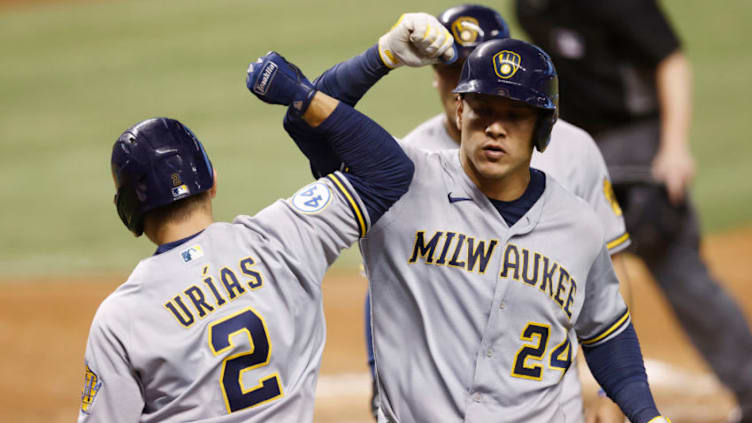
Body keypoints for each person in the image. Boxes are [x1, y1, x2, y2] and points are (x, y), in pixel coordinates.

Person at [284, 25, 671, 422]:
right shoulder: (399, 181)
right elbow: (306, 120)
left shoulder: (577, 225)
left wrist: (647, 415)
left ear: (543, 127)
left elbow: (607, 331)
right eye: (483, 109)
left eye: (515, 116)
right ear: (459, 110)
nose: (495, 128)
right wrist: (382, 56)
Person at [77, 51, 415, 422]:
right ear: (212, 181)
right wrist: (305, 93)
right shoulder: (283, 237)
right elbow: (388, 170)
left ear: (128, 210)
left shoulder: (121, 318)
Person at [515, 1, 752, 421]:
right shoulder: (531, 5)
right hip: (575, 142)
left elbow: (671, 61)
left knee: (677, 265)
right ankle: (539, 401)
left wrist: (674, 147)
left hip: (639, 141)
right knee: (551, 265)